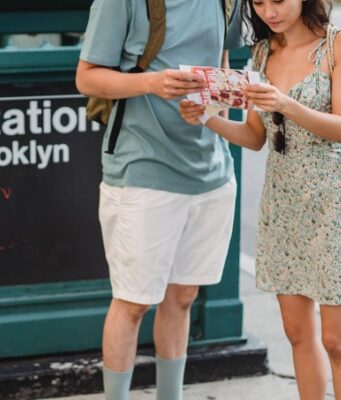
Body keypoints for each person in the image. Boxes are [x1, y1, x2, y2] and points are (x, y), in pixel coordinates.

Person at [179, 0, 341, 399]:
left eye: (279, 0)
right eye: (260, 2)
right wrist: (207, 118)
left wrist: (285, 103)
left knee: (336, 340)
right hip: (283, 206)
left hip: (332, 204)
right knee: (296, 333)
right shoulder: (263, 53)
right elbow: (255, 137)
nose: (269, 10)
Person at [75, 1, 244, 399]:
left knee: (183, 297)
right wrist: (151, 83)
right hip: (143, 166)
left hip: (211, 169)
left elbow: (221, 59)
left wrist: (216, 107)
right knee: (133, 302)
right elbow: (87, 77)